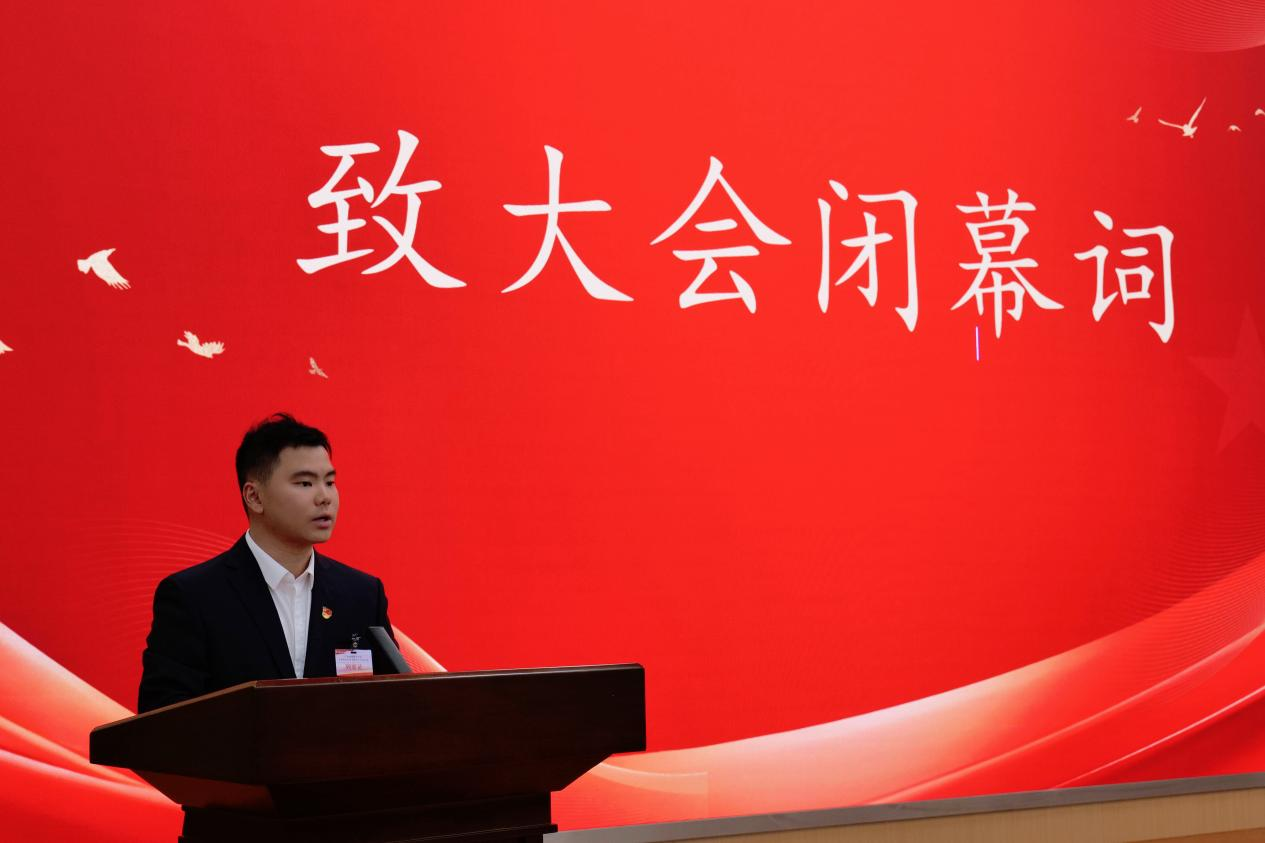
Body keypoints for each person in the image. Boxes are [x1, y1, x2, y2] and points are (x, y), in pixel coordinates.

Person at [137, 413, 397, 713]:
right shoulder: (194, 597)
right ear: (254, 497)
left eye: (330, 482)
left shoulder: (362, 596)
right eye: (305, 483)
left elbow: (396, 707)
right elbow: (163, 720)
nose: (324, 497)